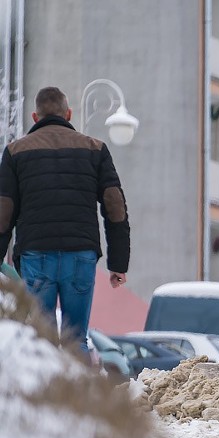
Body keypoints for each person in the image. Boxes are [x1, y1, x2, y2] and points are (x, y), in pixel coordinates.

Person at [0, 86, 130, 357]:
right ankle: (78, 399)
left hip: (36, 256)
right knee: (76, 340)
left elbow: (4, 211)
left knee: (41, 341)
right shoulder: (95, 149)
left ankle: (47, 397)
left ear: (35, 117)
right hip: (80, 256)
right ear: (68, 114)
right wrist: (118, 263)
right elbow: (114, 205)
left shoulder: (15, 152)